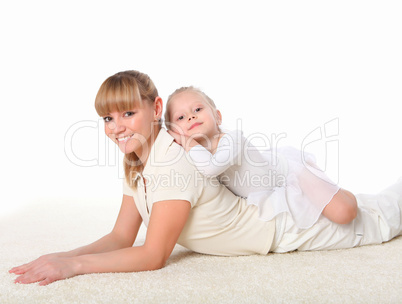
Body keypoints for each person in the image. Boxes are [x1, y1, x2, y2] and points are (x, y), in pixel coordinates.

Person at [9, 70, 402, 286]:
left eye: (127, 114)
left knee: (380, 218)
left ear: (155, 108)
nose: (116, 127)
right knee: (374, 204)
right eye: (108, 118)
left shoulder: (172, 164)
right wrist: (62, 256)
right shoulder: (136, 162)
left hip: (282, 228)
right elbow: (121, 237)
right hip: (271, 216)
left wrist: (75, 268)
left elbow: (152, 256)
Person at [164, 86, 357, 228]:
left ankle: (342, 192)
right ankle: (329, 193)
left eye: (198, 109)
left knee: (344, 214)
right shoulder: (192, 154)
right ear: (174, 131)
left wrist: (187, 142)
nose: (190, 117)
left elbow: (211, 168)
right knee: (318, 215)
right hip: (271, 192)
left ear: (218, 117)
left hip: (289, 173)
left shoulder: (232, 138)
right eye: (180, 117)